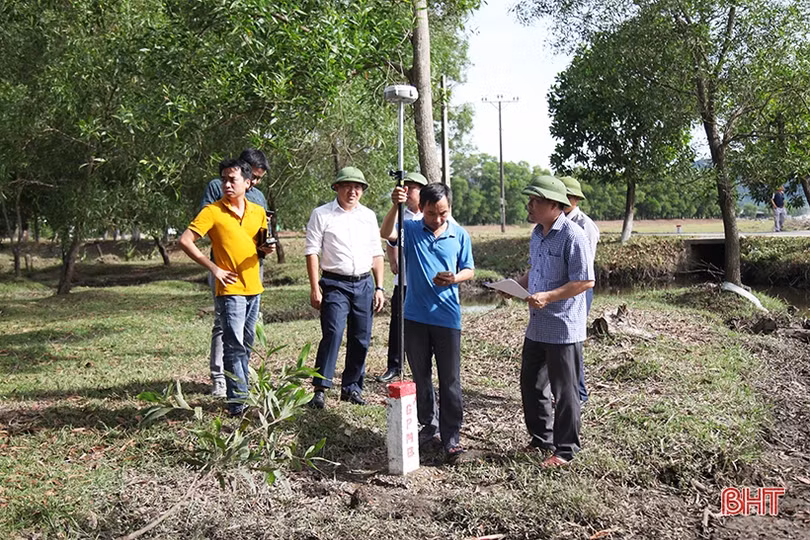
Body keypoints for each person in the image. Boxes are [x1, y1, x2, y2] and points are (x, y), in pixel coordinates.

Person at [380, 182, 475, 462]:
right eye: (431, 213)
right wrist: (395, 206)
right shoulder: (410, 229)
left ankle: (451, 436)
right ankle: (428, 426)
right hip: (415, 317)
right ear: (421, 208)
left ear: (450, 208)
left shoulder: (459, 234)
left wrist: (455, 278)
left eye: (443, 213)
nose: (437, 219)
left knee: (450, 379)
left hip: (447, 317)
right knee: (421, 376)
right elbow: (386, 233)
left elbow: (469, 269)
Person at [179, 158, 275, 416]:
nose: (226, 184)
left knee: (247, 342)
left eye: (232, 180)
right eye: (224, 180)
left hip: (254, 287)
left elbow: (259, 246)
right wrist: (214, 268)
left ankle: (242, 394)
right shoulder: (212, 211)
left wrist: (265, 249)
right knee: (234, 344)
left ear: (247, 183)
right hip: (230, 288)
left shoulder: (258, 212)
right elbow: (185, 240)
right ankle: (238, 403)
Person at [514, 175, 594, 467]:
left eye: (535, 201)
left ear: (553, 205)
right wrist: (515, 285)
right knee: (532, 385)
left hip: (563, 327)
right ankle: (541, 439)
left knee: (565, 390)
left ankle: (566, 450)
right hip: (537, 324)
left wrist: (548, 296)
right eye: (530, 200)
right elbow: (535, 270)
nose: (529, 205)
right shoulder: (537, 233)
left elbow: (585, 281)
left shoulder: (574, 235)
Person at [305, 167, 385, 409]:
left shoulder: (368, 216)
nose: (353, 191)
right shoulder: (322, 214)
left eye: (357, 187)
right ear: (337, 187)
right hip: (334, 283)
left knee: (361, 337)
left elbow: (377, 253)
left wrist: (379, 287)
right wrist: (315, 288)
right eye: (348, 186)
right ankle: (320, 389)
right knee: (333, 333)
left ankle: (352, 388)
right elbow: (312, 251)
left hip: (364, 283)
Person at [198, 148, 270, 397]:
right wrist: (216, 266)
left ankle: (241, 378)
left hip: (253, 267)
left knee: (249, 325)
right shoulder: (217, 189)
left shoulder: (258, 197)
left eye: (258, 179)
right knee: (224, 324)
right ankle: (221, 379)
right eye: (254, 176)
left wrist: (266, 246)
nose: (256, 183)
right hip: (225, 270)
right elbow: (208, 224)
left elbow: (262, 232)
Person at [376, 171, 429, 383]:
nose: (405, 192)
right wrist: (393, 260)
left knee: (424, 327)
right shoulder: (400, 215)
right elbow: (389, 238)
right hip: (404, 282)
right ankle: (395, 365)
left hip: (426, 283)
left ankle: (421, 367)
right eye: (403, 188)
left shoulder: (432, 215)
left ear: (422, 191)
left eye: (410, 188)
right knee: (398, 325)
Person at [559, 175, 599, 404]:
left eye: (565, 197)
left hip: (578, 288)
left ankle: (579, 394)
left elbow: (584, 269)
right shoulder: (554, 223)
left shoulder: (585, 226)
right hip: (559, 288)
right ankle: (563, 392)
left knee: (573, 340)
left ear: (575, 199)